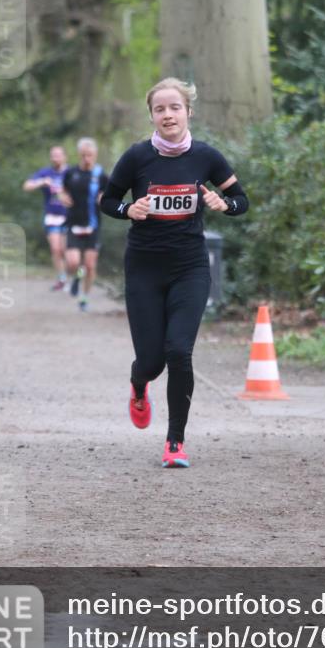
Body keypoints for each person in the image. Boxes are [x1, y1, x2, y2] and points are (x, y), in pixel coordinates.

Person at [100, 78, 248, 468]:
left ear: (188, 112)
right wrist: (126, 210)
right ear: (151, 116)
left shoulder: (206, 157)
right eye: (160, 109)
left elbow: (241, 199)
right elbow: (107, 200)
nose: (168, 114)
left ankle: (175, 442)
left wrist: (224, 203)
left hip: (190, 267)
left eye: (175, 107)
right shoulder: (136, 158)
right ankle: (138, 385)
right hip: (145, 269)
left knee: (179, 351)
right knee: (151, 362)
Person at [61, 138, 109, 312]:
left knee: (89, 265)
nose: (86, 158)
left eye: (89, 155)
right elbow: (62, 189)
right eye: (83, 155)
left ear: (94, 155)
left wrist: (104, 198)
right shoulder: (71, 173)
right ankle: (75, 278)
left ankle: (84, 297)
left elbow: (110, 193)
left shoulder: (100, 175)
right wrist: (62, 196)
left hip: (93, 226)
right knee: (73, 262)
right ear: (79, 155)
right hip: (74, 224)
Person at [23, 146, 69, 290]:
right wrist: (42, 182)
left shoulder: (71, 172)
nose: (55, 158)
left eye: (58, 155)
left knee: (66, 250)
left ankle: (75, 275)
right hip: (52, 216)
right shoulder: (46, 173)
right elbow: (27, 186)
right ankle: (61, 279)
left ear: (64, 156)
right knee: (56, 249)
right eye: (53, 155)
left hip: (69, 216)